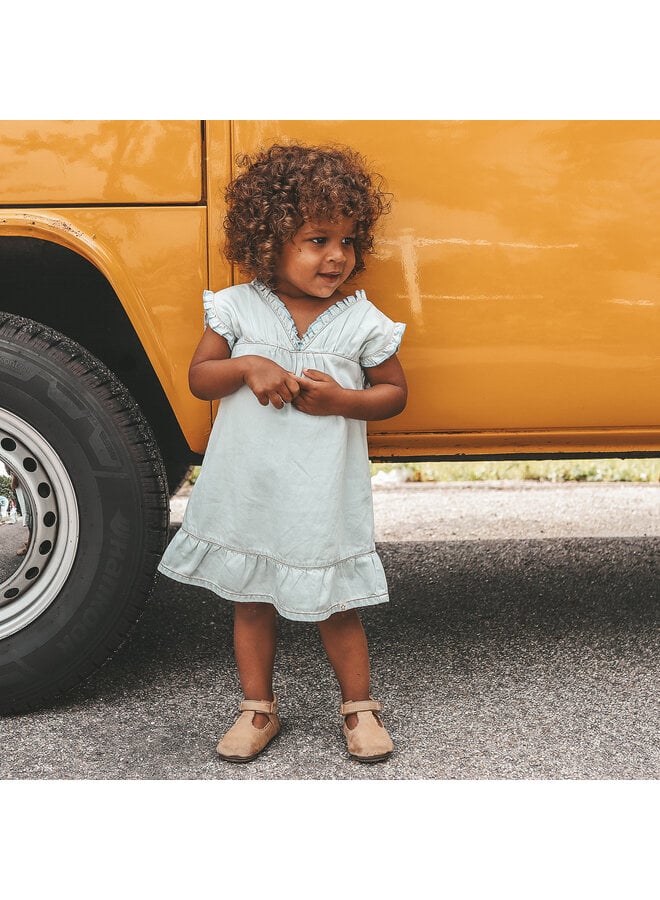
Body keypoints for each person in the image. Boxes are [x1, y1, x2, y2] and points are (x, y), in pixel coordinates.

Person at [158, 143, 407, 763]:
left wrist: (344, 401)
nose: (336, 257)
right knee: (252, 598)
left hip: (318, 491)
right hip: (254, 486)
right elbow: (200, 378)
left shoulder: (360, 321)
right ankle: (257, 707)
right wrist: (245, 364)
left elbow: (394, 393)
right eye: (317, 239)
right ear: (270, 240)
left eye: (347, 241)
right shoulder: (238, 308)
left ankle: (358, 708)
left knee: (335, 602)